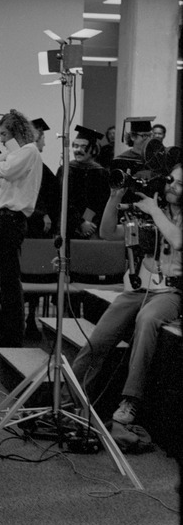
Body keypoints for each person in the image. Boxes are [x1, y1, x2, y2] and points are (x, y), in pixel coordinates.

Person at [70, 164, 182, 428]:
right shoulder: (154, 210)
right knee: (98, 338)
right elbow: (107, 232)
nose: (171, 187)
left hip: (172, 292)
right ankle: (71, 397)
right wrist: (114, 197)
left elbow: (178, 241)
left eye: (179, 184)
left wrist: (154, 211)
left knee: (147, 319)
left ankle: (131, 399)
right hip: (138, 290)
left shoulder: (159, 212)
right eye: (171, 181)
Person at [0, 109, 42, 348]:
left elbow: (4, 171)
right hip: (7, 219)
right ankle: (10, 336)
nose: (1, 139)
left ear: (16, 131)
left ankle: (12, 339)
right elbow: (3, 177)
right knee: (7, 281)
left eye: (5, 133)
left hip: (12, 220)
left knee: (9, 282)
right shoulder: (20, 154)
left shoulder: (29, 151)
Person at [62, 125, 110, 239]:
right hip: (69, 227)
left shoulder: (101, 173)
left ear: (93, 149)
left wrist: (89, 223)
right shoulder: (66, 170)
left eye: (83, 146)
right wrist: (80, 222)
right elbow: (62, 200)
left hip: (94, 228)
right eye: (76, 146)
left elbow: (102, 202)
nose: (78, 150)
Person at [26, 118, 60, 238]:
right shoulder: (31, 163)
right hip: (35, 223)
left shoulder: (36, 163)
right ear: (36, 138)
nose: (44, 143)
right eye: (43, 138)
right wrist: (42, 213)